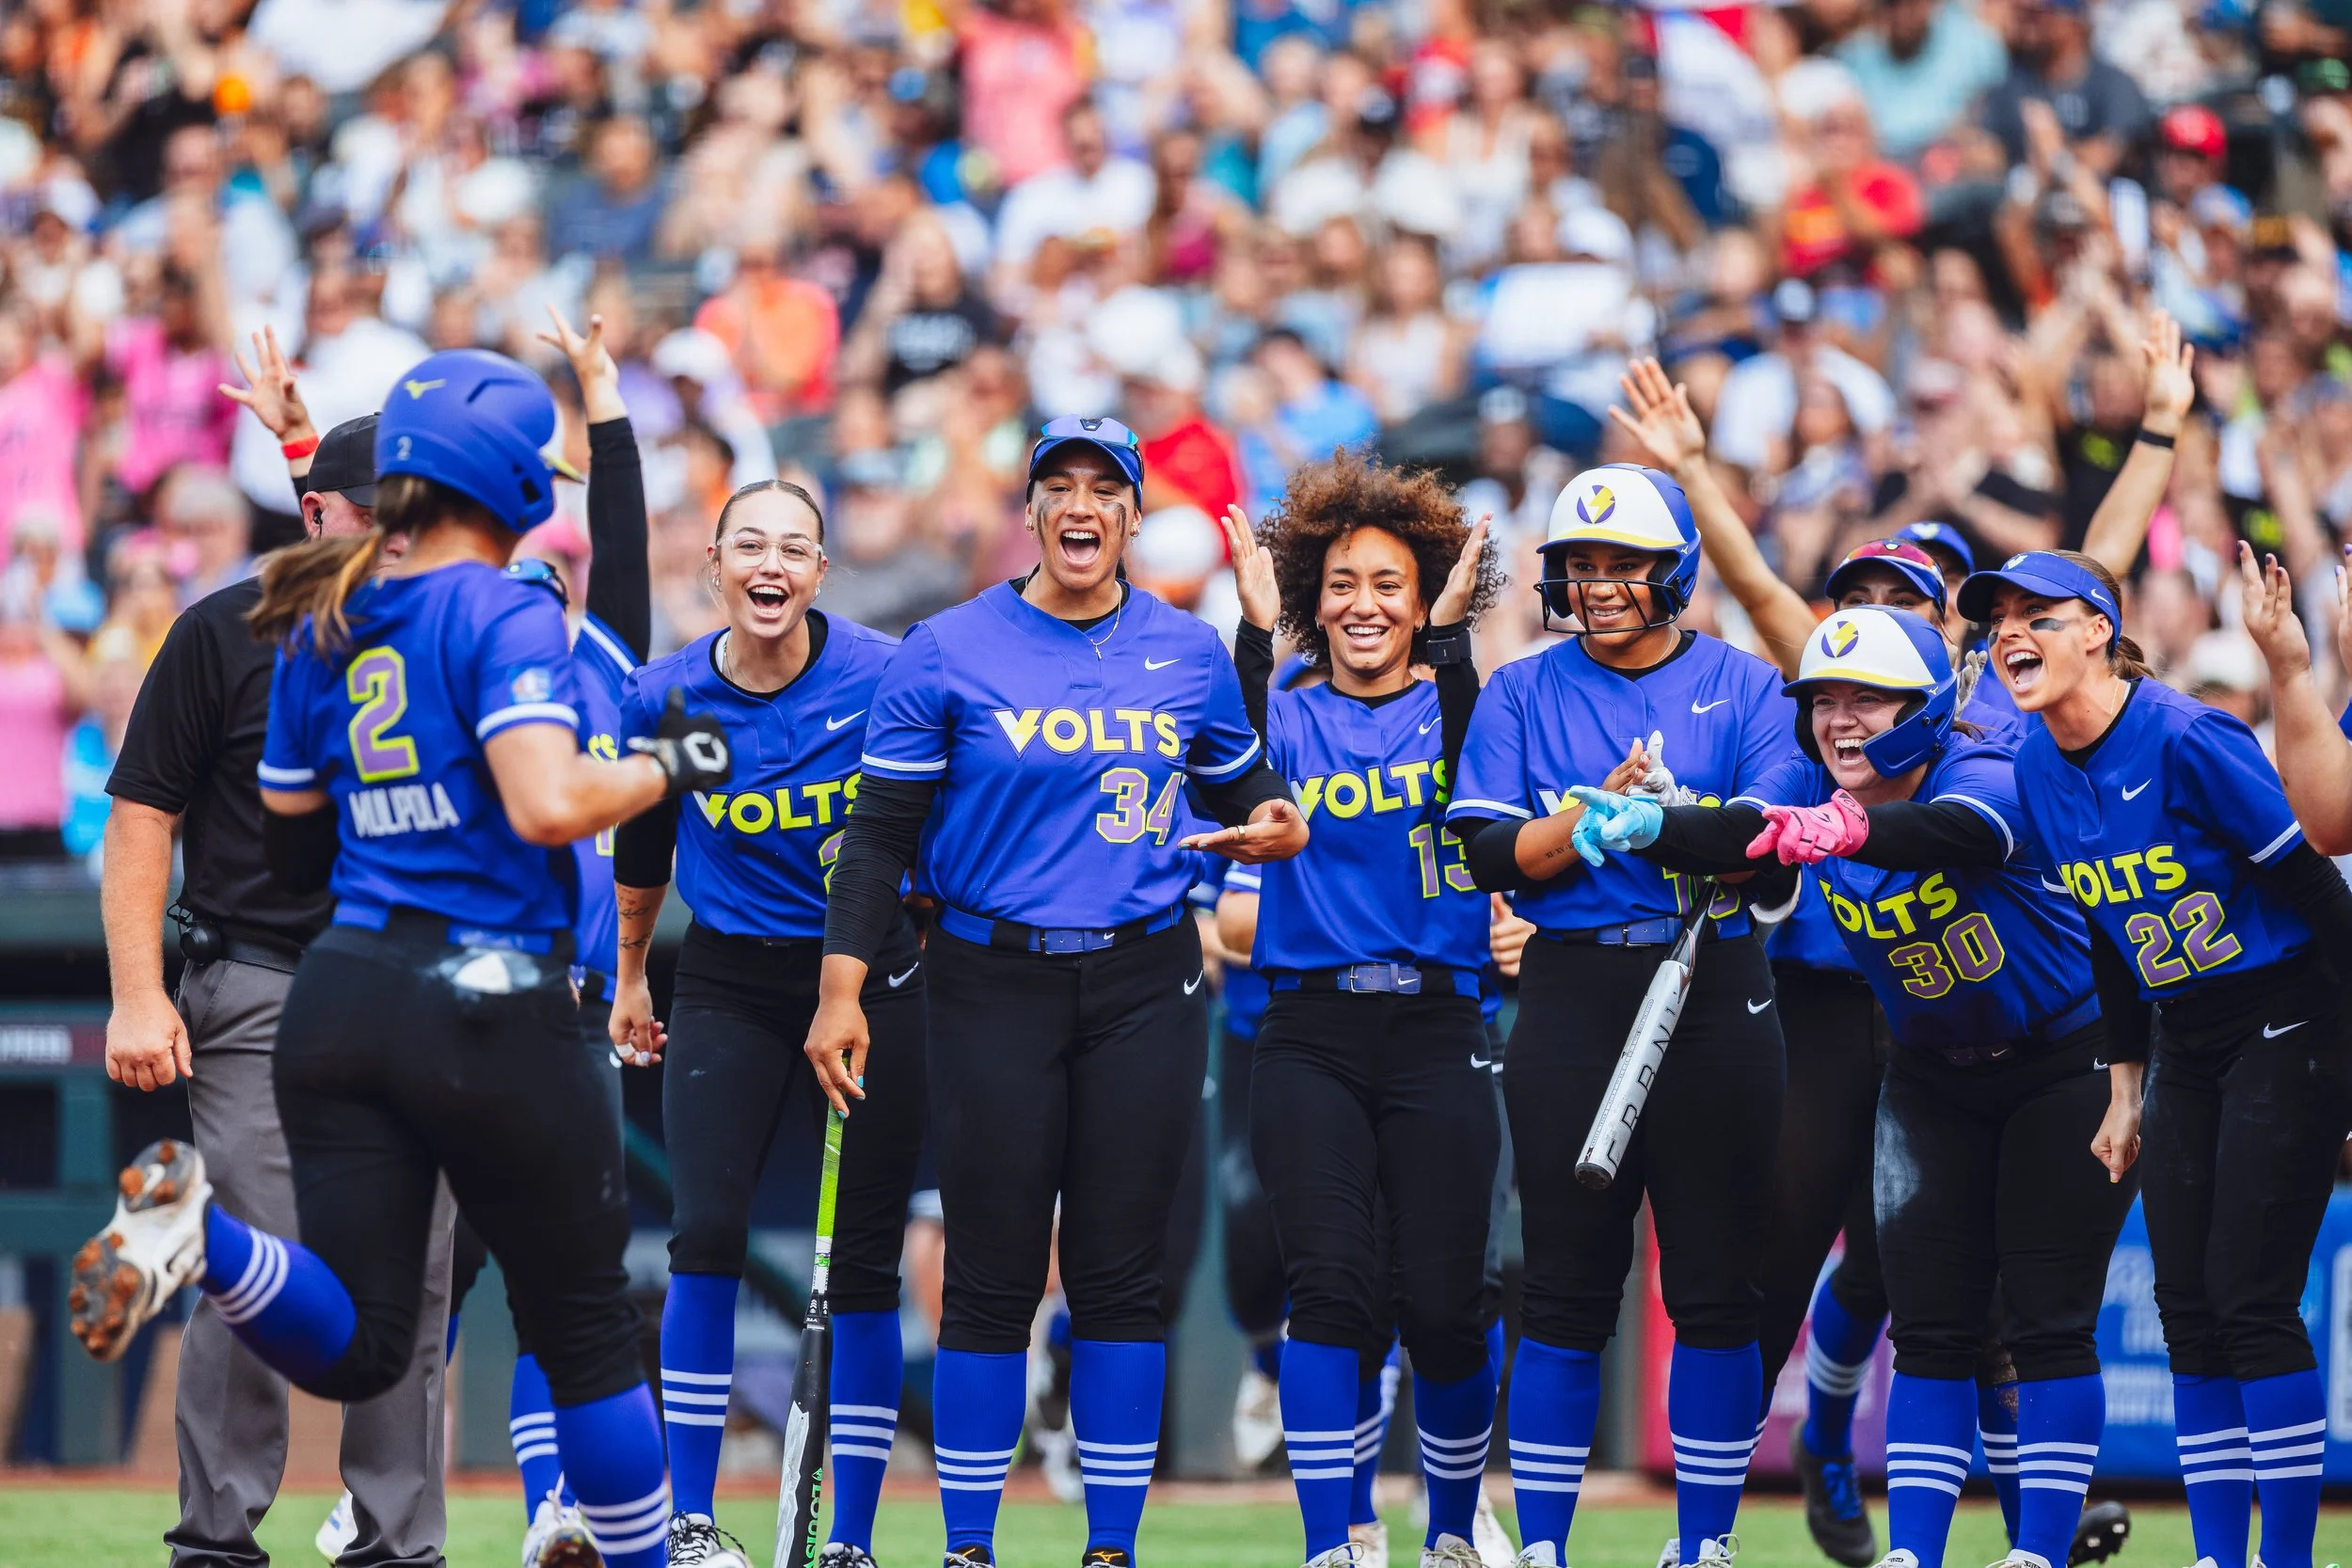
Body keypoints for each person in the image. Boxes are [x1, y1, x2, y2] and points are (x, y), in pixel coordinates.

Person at [67, 348, 736, 1568]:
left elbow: (286, 807)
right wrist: (671, 765)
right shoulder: (506, 603)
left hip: (341, 994)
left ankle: (203, 1237)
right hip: (485, 992)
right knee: (582, 1322)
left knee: (371, 1337)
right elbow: (545, 802)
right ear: (508, 484)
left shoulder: (317, 620)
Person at [808, 416, 1307, 1568]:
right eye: (1059, 487)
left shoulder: (1184, 651)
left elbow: (1248, 788)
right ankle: (972, 1545)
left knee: (1120, 1272)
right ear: (1029, 512)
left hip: (1143, 972)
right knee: (989, 1266)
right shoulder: (943, 645)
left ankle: (1110, 1548)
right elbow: (878, 836)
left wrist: (1277, 817)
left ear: (1132, 515)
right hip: (988, 976)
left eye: (1105, 489)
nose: (1081, 506)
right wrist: (840, 992)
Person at [1572, 604, 2139, 1568]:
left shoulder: (1984, 762)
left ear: (1920, 709)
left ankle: (2037, 1552)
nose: (1839, 721)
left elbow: (1957, 831)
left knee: (2043, 1316)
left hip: (2061, 1060)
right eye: (1824, 699)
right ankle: (1913, 1553)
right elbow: (1746, 829)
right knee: (1926, 1322)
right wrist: (1661, 824)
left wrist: (1837, 825)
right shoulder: (1810, 774)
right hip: (1928, 1072)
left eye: (1866, 701)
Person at [98, 389, 455, 1568]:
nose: (405, 532)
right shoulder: (224, 626)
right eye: (381, 511)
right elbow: (143, 810)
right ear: (319, 512)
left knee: (413, 1274)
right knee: (262, 1254)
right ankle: (215, 1539)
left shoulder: (452, 626)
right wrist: (138, 991)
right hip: (263, 982)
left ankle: (395, 1543)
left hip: (418, 982)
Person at [1969, 548, 2352, 1568]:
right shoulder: (2035, 762)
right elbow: (2106, 929)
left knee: (2250, 1294)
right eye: (1997, 616)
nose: (2010, 631)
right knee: (2183, 1301)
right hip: (2184, 1029)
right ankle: (2219, 1557)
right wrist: (2123, 1086)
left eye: (2035, 615)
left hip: (2287, 1012)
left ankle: (2285, 1560)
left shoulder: (2188, 735)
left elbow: (2318, 890)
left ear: (2098, 627)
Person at [1444, 462, 1795, 1568]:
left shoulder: (1745, 684)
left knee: (1713, 1283)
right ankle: (1544, 1545)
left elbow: (1768, 847)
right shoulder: (1519, 689)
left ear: (1673, 570)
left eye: (1620, 564)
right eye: (1579, 564)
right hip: (1575, 987)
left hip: (1713, 984)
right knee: (1562, 1277)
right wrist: (1589, 825)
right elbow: (1491, 850)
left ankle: (1704, 1544)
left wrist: (1665, 818)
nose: (1595, 585)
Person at [608, 476, 926, 1568]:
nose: (771, 565)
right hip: (733, 982)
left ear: (822, 572)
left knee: (868, 1262)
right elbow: (641, 846)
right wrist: (631, 974)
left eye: (794, 547)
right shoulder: (667, 696)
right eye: (750, 544)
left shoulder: (886, 676)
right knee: (703, 1232)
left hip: (875, 980)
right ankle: (688, 1519)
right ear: (717, 564)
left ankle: (851, 1540)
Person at [1219, 466, 1502, 1568]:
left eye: (1390, 582)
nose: (1363, 603)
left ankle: (1445, 1534)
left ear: (1424, 594)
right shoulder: (1285, 711)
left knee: (1444, 1302)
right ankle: (1331, 1542)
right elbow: (1223, 770)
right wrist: (1250, 631)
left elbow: (1479, 755)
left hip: (1437, 1026)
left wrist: (1449, 639)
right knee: (1328, 1288)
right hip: (1309, 1034)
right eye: (1341, 583)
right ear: (1309, 594)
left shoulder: (1472, 704)